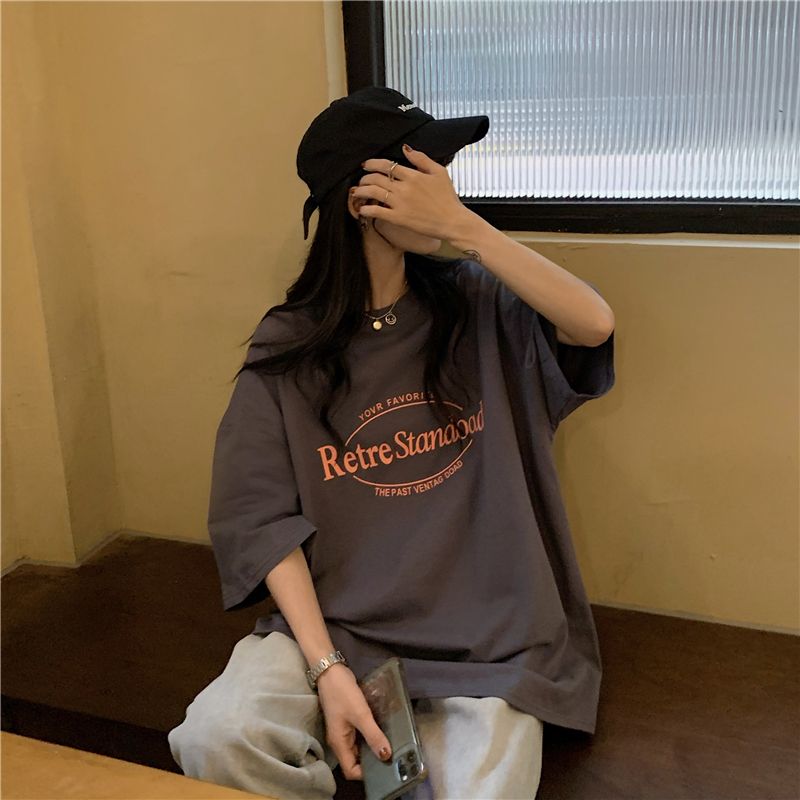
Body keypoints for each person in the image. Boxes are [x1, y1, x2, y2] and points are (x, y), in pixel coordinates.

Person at [168, 85, 616, 800]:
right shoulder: (289, 345)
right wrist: (326, 670)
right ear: (364, 200)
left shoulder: (477, 302)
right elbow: (259, 520)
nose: (444, 185)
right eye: (422, 171)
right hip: (337, 627)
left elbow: (592, 324)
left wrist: (465, 227)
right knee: (216, 737)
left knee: (482, 789)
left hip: (488, 640)